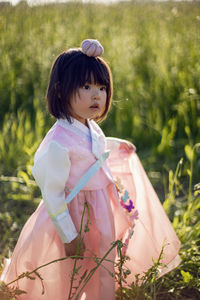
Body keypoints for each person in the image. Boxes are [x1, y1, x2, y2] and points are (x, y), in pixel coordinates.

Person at [1, 39, 181, 300]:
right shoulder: (57, 143)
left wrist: (118, 145)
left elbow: (92, 149)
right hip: (75, 213)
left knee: (102, 262)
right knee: (70, 270)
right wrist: (68, 234)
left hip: (99, 211)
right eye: (86, 86)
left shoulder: (87, 125)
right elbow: (53, 193)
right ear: (61, 91)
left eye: (101, 87)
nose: (96, 94)